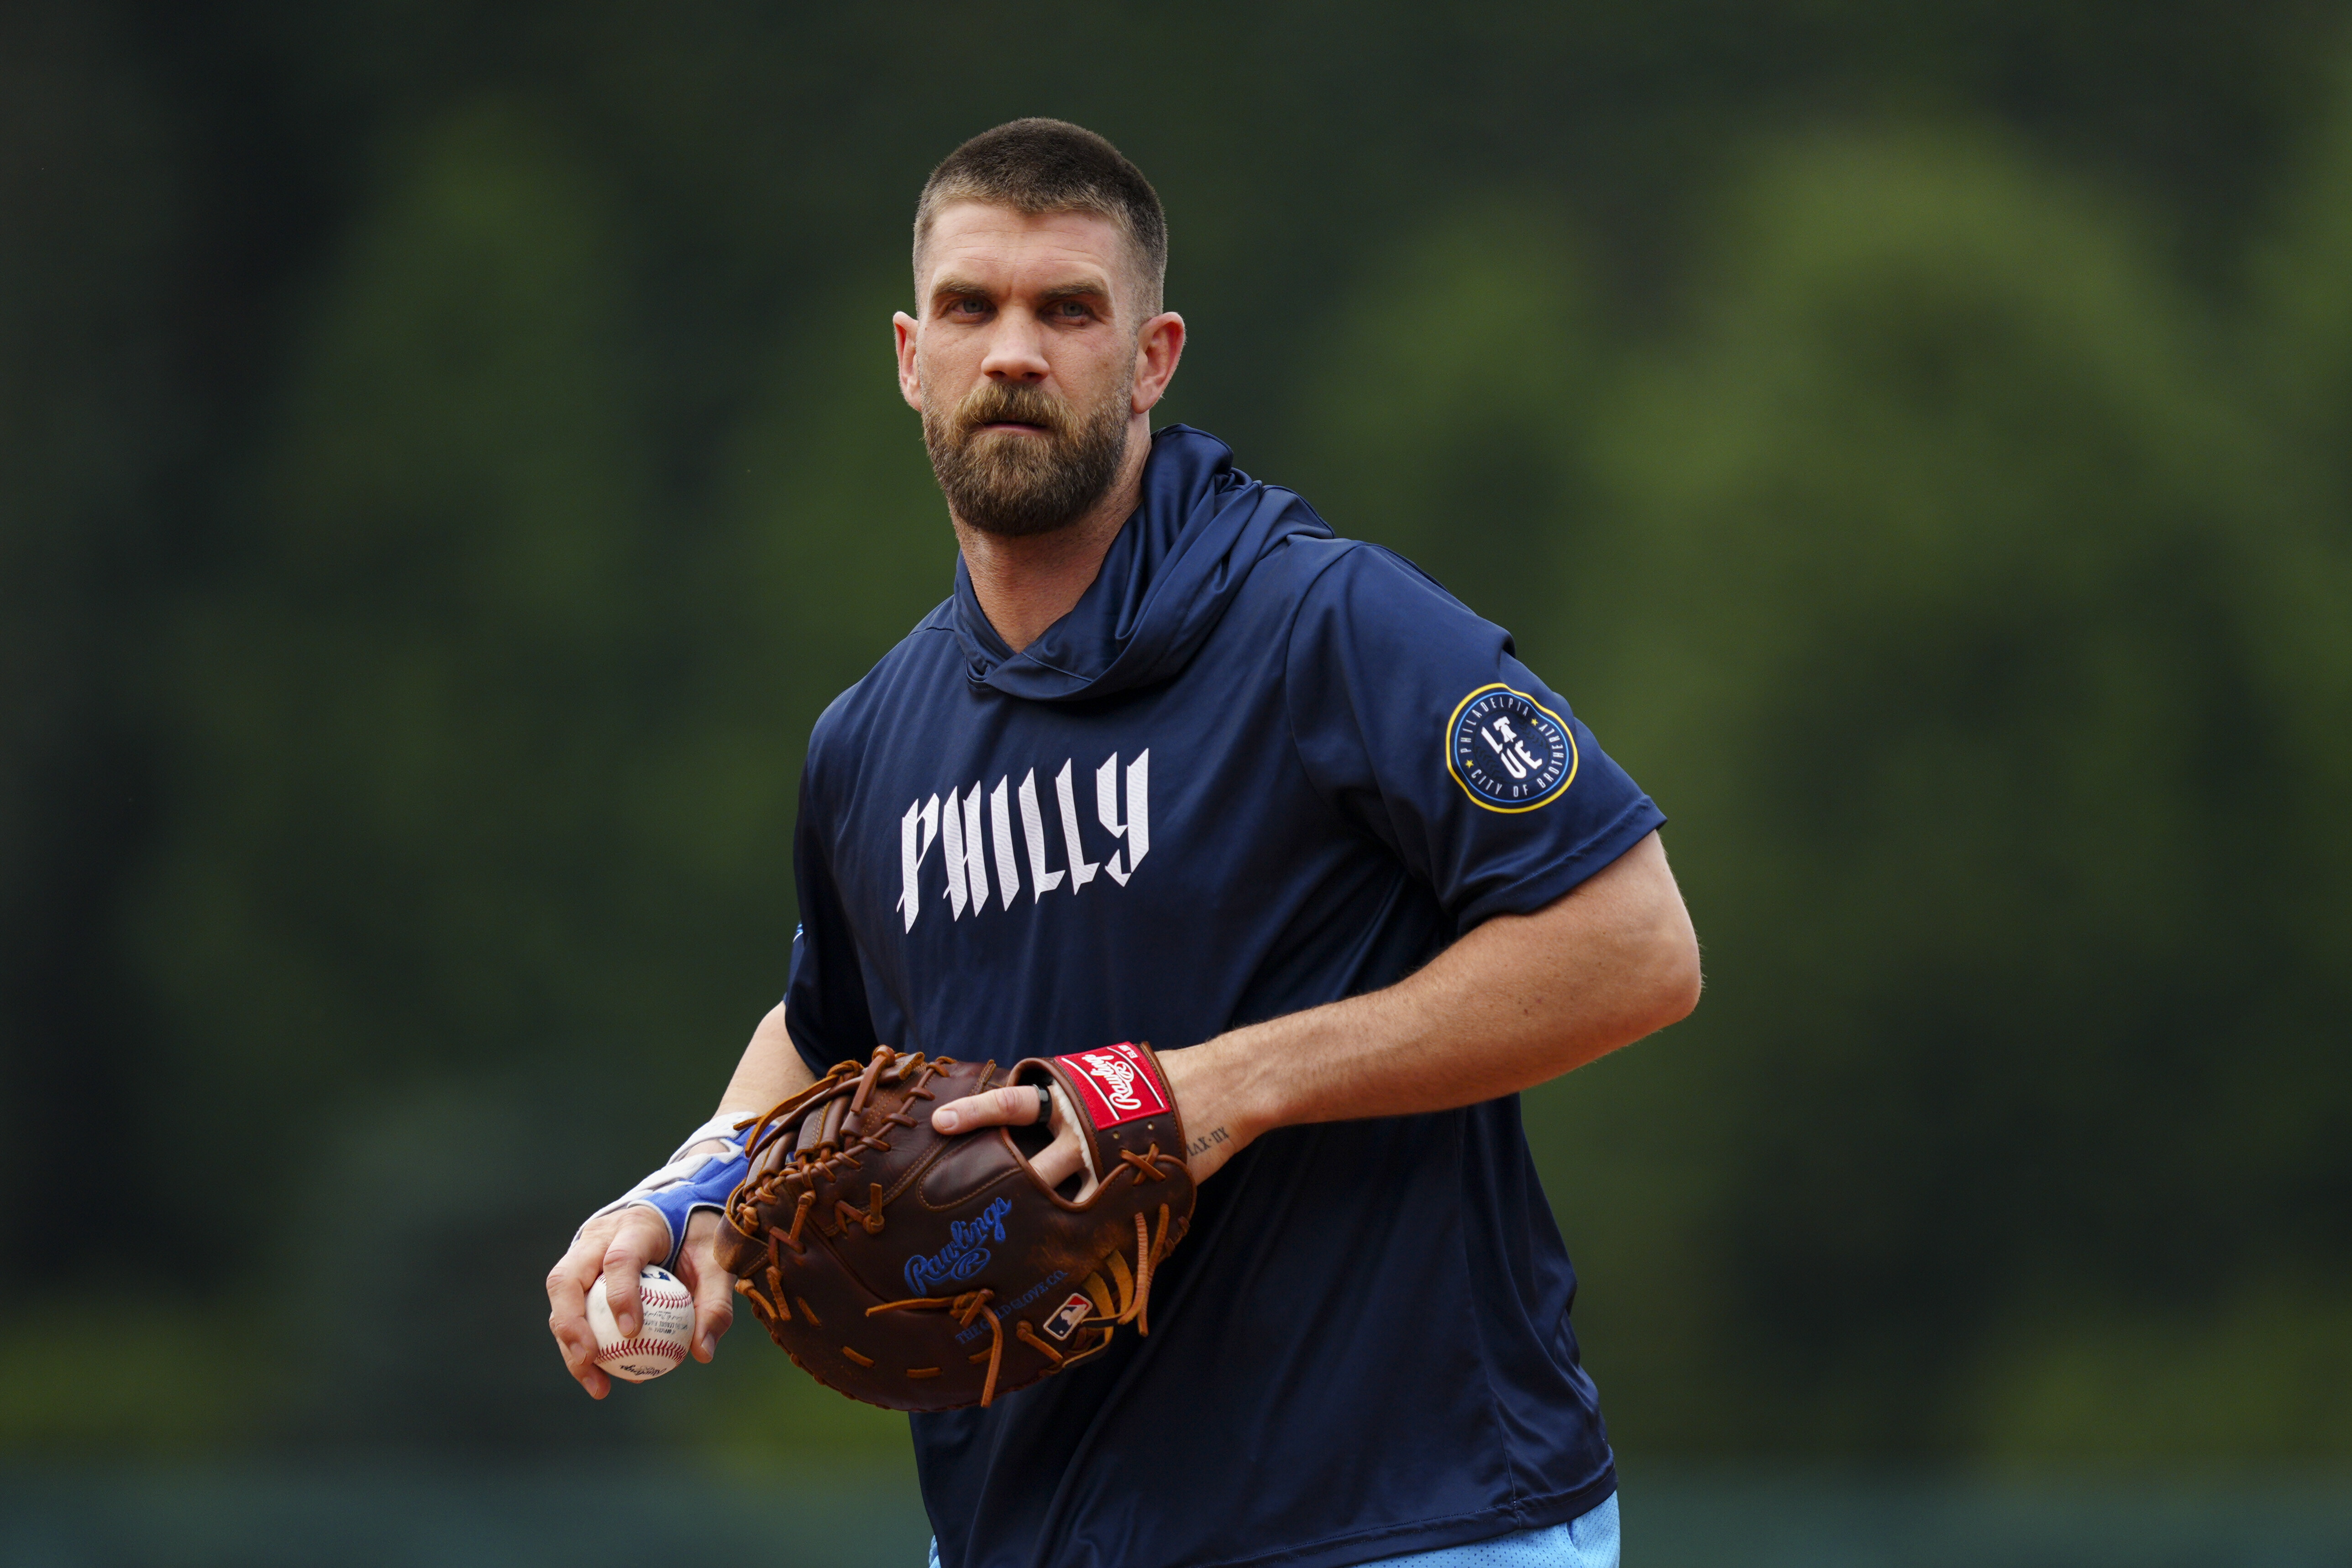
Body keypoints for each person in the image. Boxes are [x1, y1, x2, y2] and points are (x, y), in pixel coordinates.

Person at [547, 118, 1700, 1568]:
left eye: (1067, 309)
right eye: (972, 307)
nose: (1013, 351)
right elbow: (827, 1024)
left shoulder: (1323, 629)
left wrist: (1215, 1090)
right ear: (911, 356)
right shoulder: (871, 743)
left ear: (1151, 357)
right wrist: (687, 1195)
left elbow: (1637, 944)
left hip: (1401, 1516)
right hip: (1023, 1533)